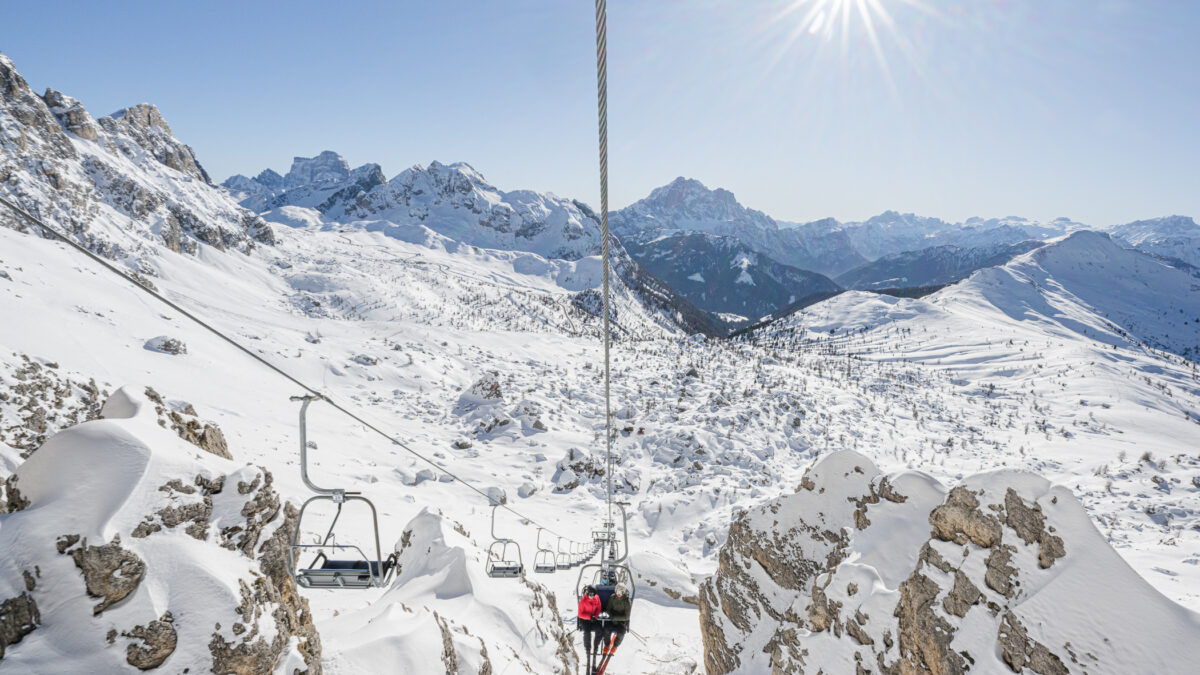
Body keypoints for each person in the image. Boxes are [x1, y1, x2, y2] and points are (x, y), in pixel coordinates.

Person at [599, 582, 631, 663]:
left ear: (623, 592)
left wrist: (616, 618)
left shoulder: (626, 601)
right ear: (615, 591)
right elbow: (608, 609)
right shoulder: (612, 598)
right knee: (606, 629)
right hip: (612, 620)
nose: (618, 594)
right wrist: (611, 615)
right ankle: (607, 645)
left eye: (620, 592)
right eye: (617, 591)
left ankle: (615, 646)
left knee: (621, 632)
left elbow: (627, 616)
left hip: (621, 622)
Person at [577, 585, 602, 673]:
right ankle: (588, 650)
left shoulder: (596, 598)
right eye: (590, 595)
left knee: (599, 630)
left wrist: (595, 616)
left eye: (593, 595)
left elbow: (598, 607)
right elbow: (580, 614)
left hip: (593, 619)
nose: (592, 596)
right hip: (585, 620)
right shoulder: (583, 601)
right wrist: (589, 617)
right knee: (587, 632)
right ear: (587, 593)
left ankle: (596, 647)